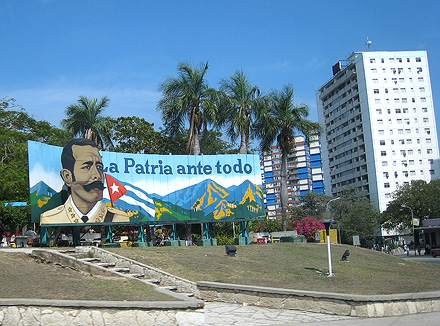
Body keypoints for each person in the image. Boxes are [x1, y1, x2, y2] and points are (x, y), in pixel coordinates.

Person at [40, 138, 130, 225]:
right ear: (67, 176)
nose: (97, 176)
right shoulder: (50, 218)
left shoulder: (119, 218)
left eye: (99, 167)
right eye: (86, 167)